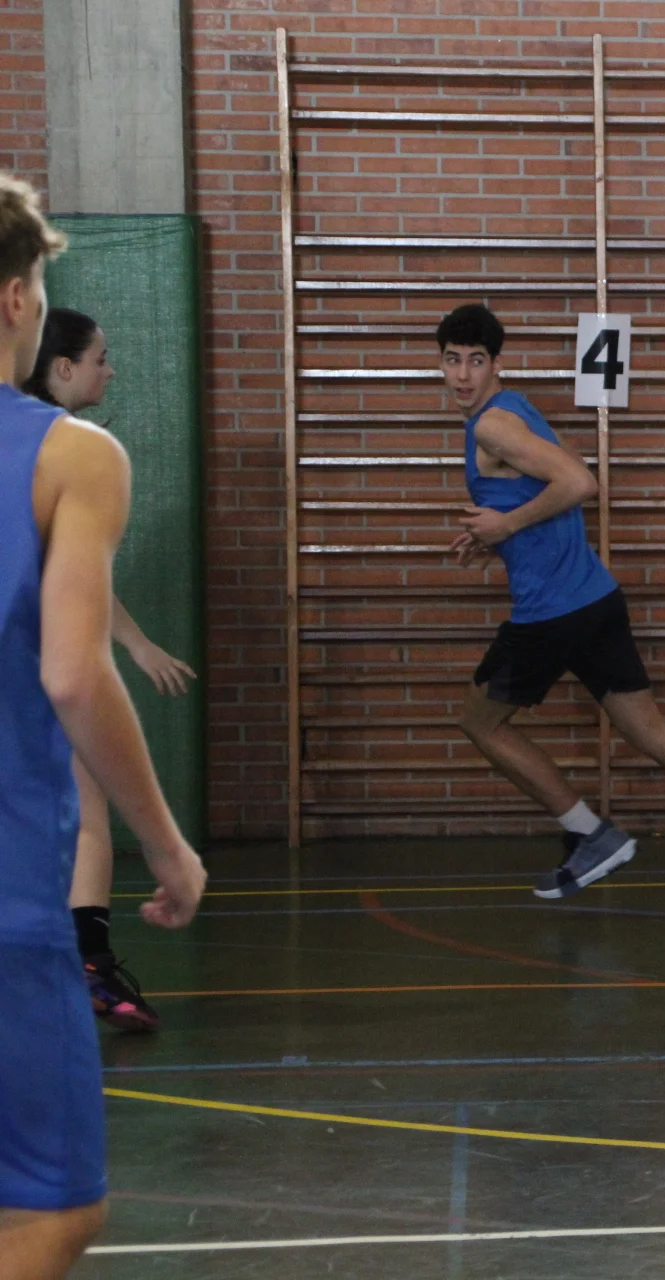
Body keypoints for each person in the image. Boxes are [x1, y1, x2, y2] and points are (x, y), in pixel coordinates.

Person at [0, 173, 205, 1279]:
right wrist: (166, 845)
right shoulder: (70, 453)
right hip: (7, 897)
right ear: (18, 296)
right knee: (49, 1211)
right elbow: (73, 675)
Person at [438, 304, 665, 911]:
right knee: (654, 734)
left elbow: (580, 484)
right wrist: (500, 534)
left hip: (551, 614)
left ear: (496, 364)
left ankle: (590, 834)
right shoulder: (517, 409)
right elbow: (565, 472)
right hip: (594, 600)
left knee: (480, 722)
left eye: (476, 361)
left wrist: (506, 525)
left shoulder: (492, 426)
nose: (463, 374)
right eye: (452, 360)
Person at [23, 307, 197, 1033]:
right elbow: (67, 593)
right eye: (100, 358)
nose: (110, 369)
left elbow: (72, 575)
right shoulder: (68, 452)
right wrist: (167, 845)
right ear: (62, 367)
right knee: (88, 807)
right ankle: (89, 963)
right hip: (34, 663)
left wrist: (137, 643)